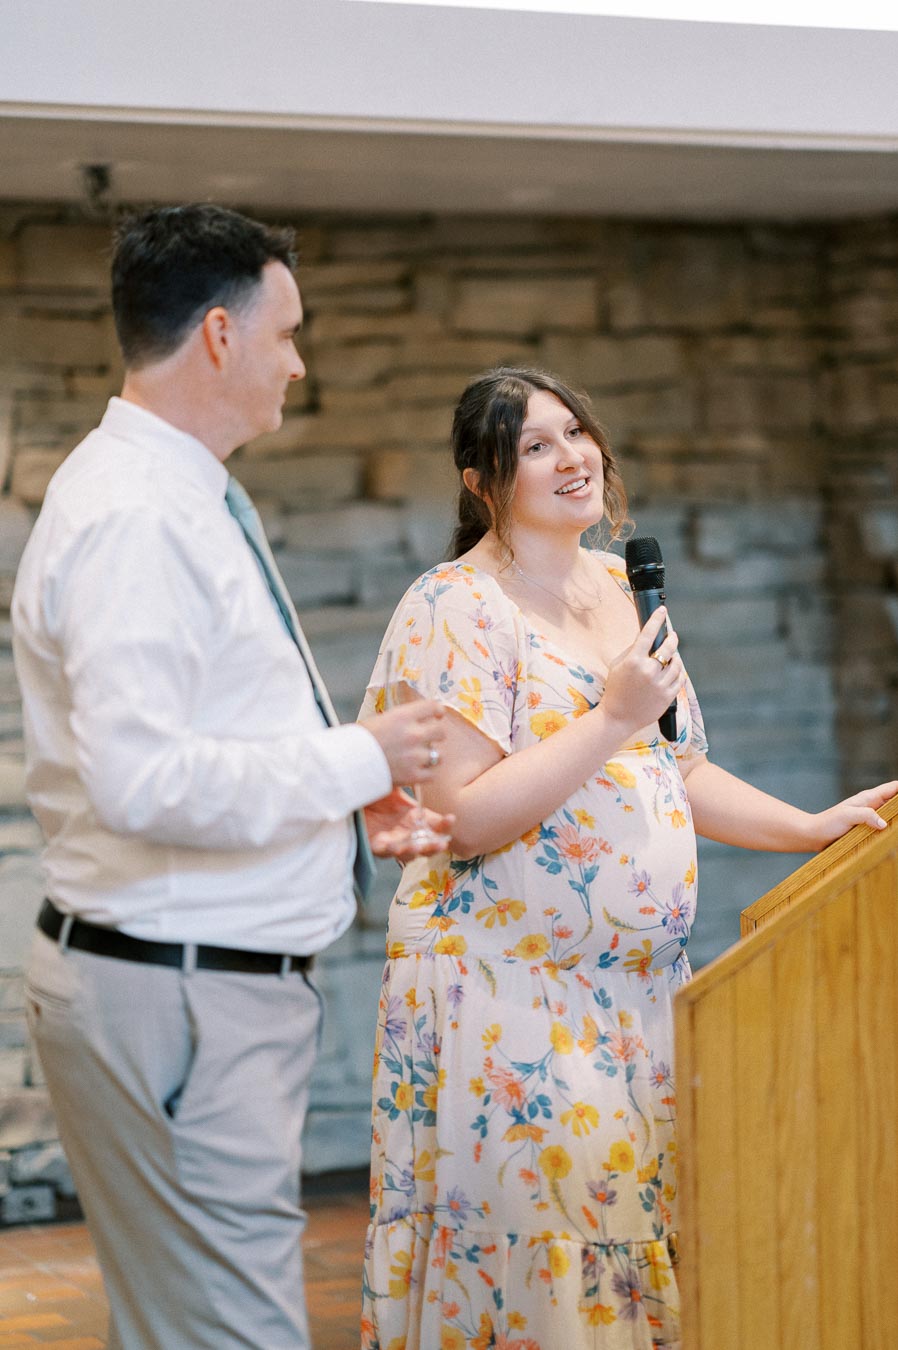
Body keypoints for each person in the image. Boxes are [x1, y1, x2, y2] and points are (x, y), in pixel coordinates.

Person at [358, 366, 898, 1350]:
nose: (572, 458)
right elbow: (465, 820)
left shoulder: (620, 587)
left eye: (577, 433)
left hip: (636, 996)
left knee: (642, 1246)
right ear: (481, 482)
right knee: (543, 1260)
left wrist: (811, 826)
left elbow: (676, 768)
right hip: (506, 996)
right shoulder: (457, 607)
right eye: (535, 445)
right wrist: (610, 716)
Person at [11, 203, 453, 1350]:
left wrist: (348, 793)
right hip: (184, 1000)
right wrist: (366, 753)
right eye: (288, 334)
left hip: (191, 990)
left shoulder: (170, 493)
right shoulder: (137, 519)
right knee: (230, 1334)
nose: (297, 365)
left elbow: (209, 725)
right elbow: (142, 779)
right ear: (218, 334)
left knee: (183, 1326)